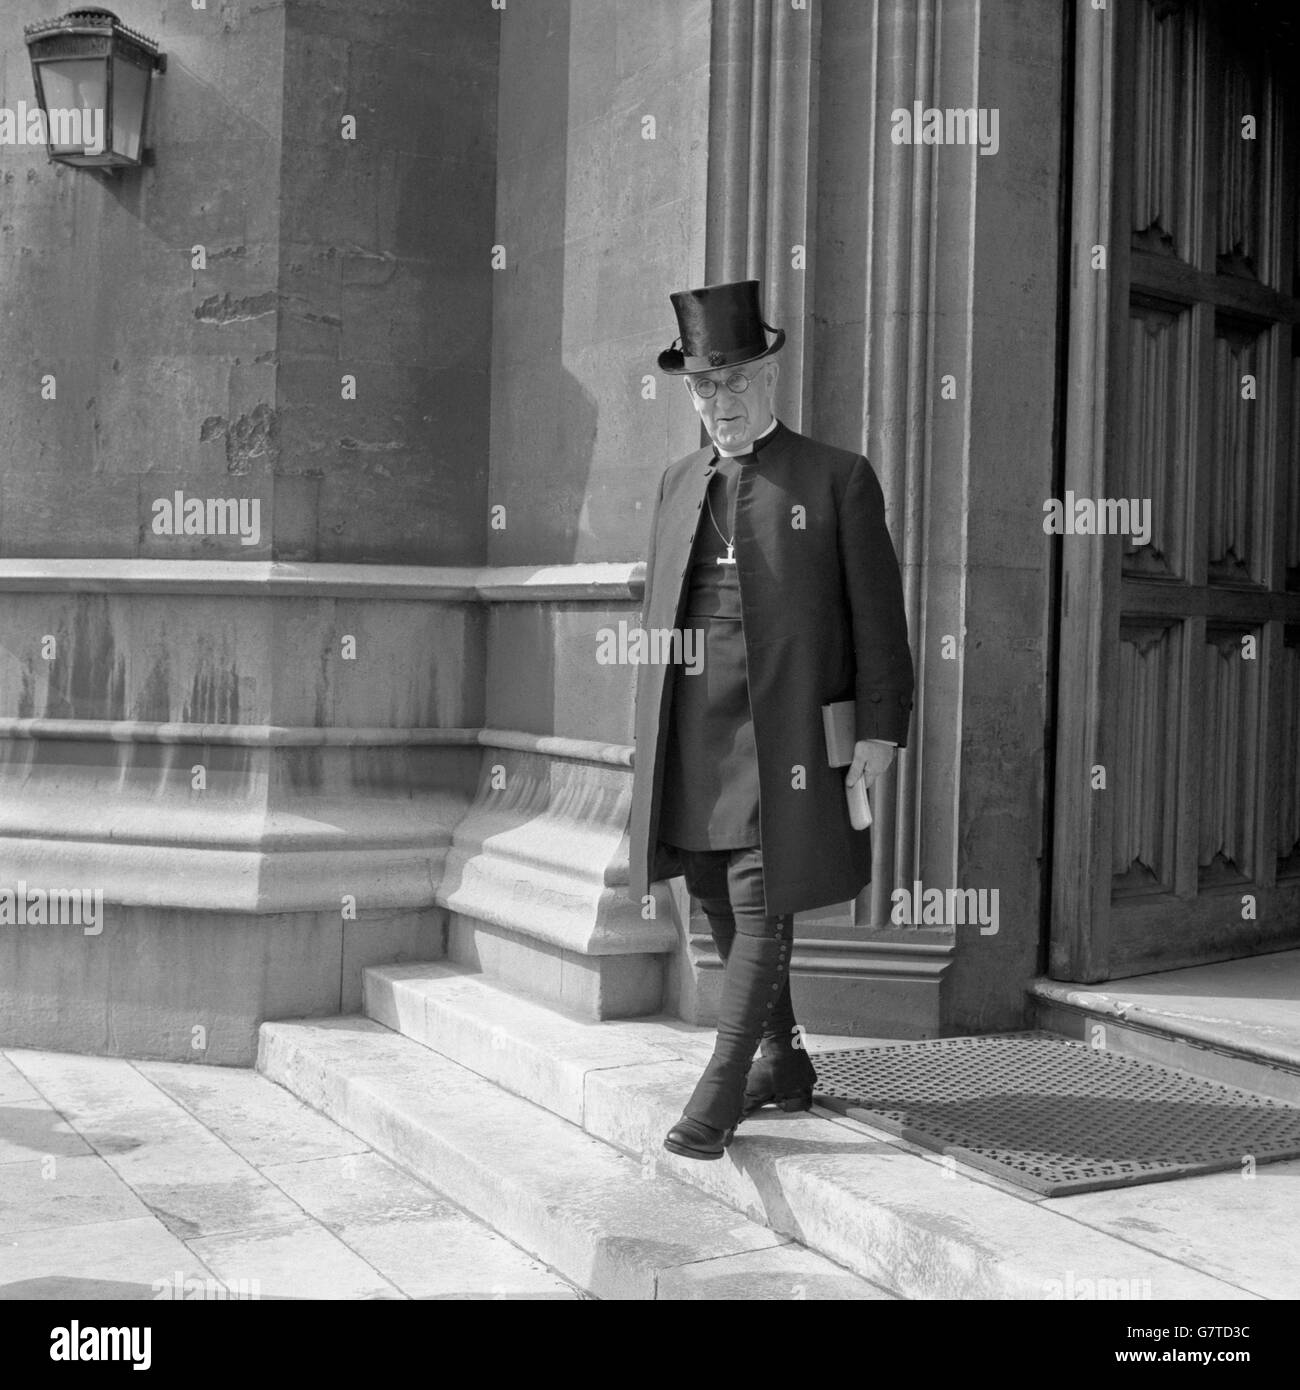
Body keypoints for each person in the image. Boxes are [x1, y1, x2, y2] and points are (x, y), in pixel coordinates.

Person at [628, 279, 914, 1160]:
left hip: (783, 728)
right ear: (688, 391)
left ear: (771, 376)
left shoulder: (837, 478)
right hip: (696, 726)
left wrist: (880, 728)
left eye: (740, 380)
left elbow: (879, 615)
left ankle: (717, 1095)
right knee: (712, 886)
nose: (726, 402)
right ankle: (782, 1061)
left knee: (761, 896)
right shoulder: (678, 484)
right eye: (708, 387)